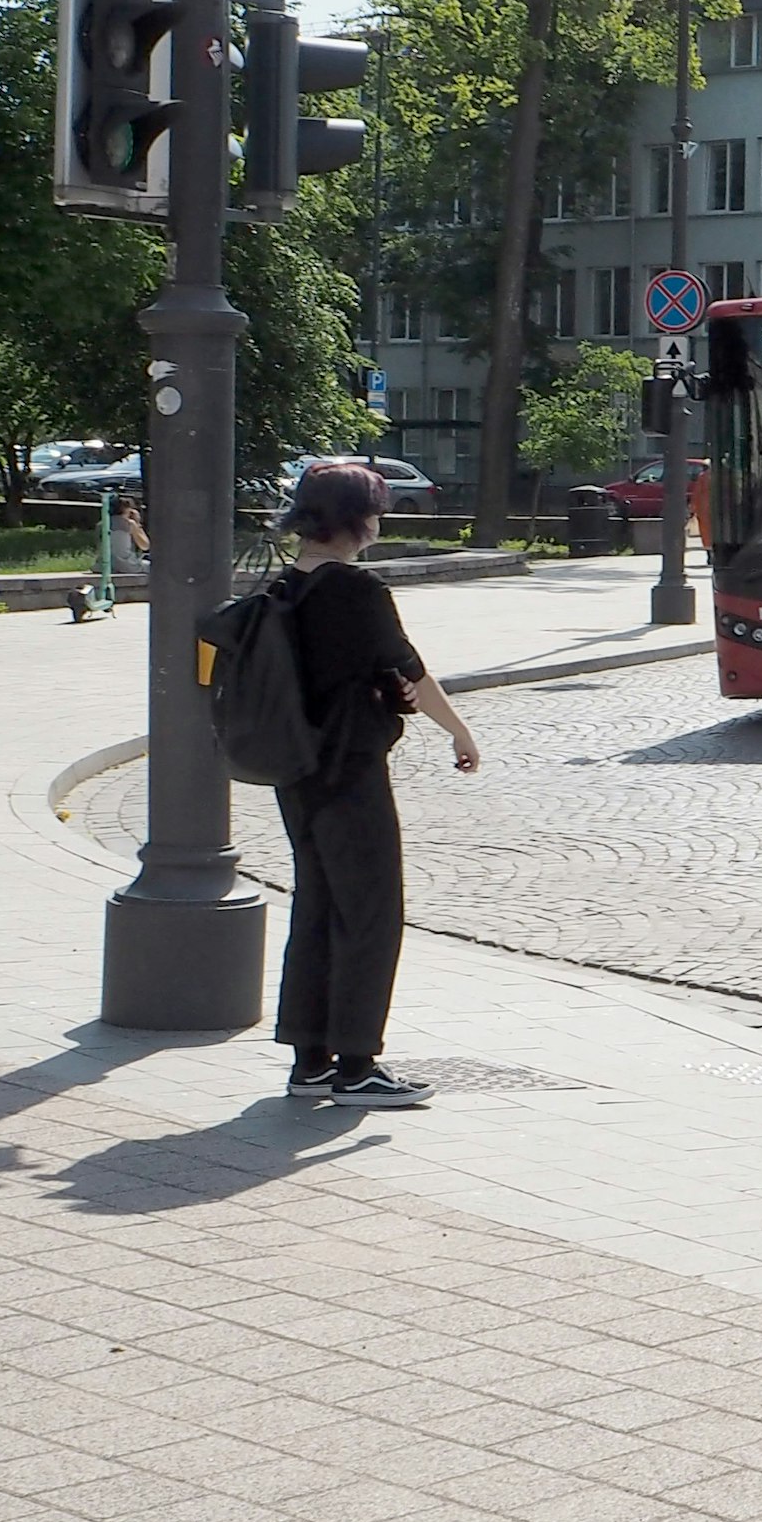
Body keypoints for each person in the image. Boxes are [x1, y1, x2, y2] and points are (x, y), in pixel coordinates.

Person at [268, 463, 480, 1109]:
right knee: (370, 913)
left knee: (317, 905)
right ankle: (357, 1065)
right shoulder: (355, 591)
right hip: (350, 767)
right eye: (376, 511)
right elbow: (409, 669)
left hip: (296, 770)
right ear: (355, 520)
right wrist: (460, 732)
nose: (379, 522)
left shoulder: (280, 588)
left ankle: (310, 1060)